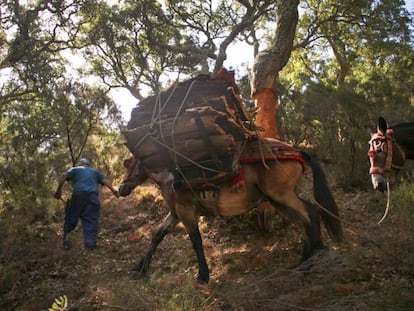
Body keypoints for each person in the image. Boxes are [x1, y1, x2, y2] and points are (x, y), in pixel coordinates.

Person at [53, 158, 120, 250]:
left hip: (78, 196)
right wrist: (114, 191)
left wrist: (58, 191)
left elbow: (64, 175)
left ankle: (67, 242)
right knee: (91, 219)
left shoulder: (75, 169)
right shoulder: (95, 172)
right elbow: (105, 181)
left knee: (71, 218)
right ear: (88, 165)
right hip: (92, 197)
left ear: (80, 164)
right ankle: (90, 245)